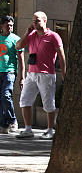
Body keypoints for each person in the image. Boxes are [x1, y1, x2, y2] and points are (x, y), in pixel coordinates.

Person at [15, 11, 65, 140]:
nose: (35, 23)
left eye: (37, 20)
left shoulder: (53, 36)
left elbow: (62, 56)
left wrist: (64, 73)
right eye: (33, 20)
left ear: (44, 21)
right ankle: (27, 129)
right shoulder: (31, 35)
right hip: (31, 73)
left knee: (48, 103)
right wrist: (27, 32)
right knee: (25, 100)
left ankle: (49, 129)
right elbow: (18, 46)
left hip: (46, 75)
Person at [0, 16, 24, 134]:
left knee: (6, 95)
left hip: (10, 71)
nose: (9, 27)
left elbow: (21, 59)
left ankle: (12, 120)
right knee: (1, 98)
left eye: (11, 25)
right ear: (2, 26)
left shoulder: (16, 39)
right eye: (7, 25)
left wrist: (22, 77)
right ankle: (3, 124)